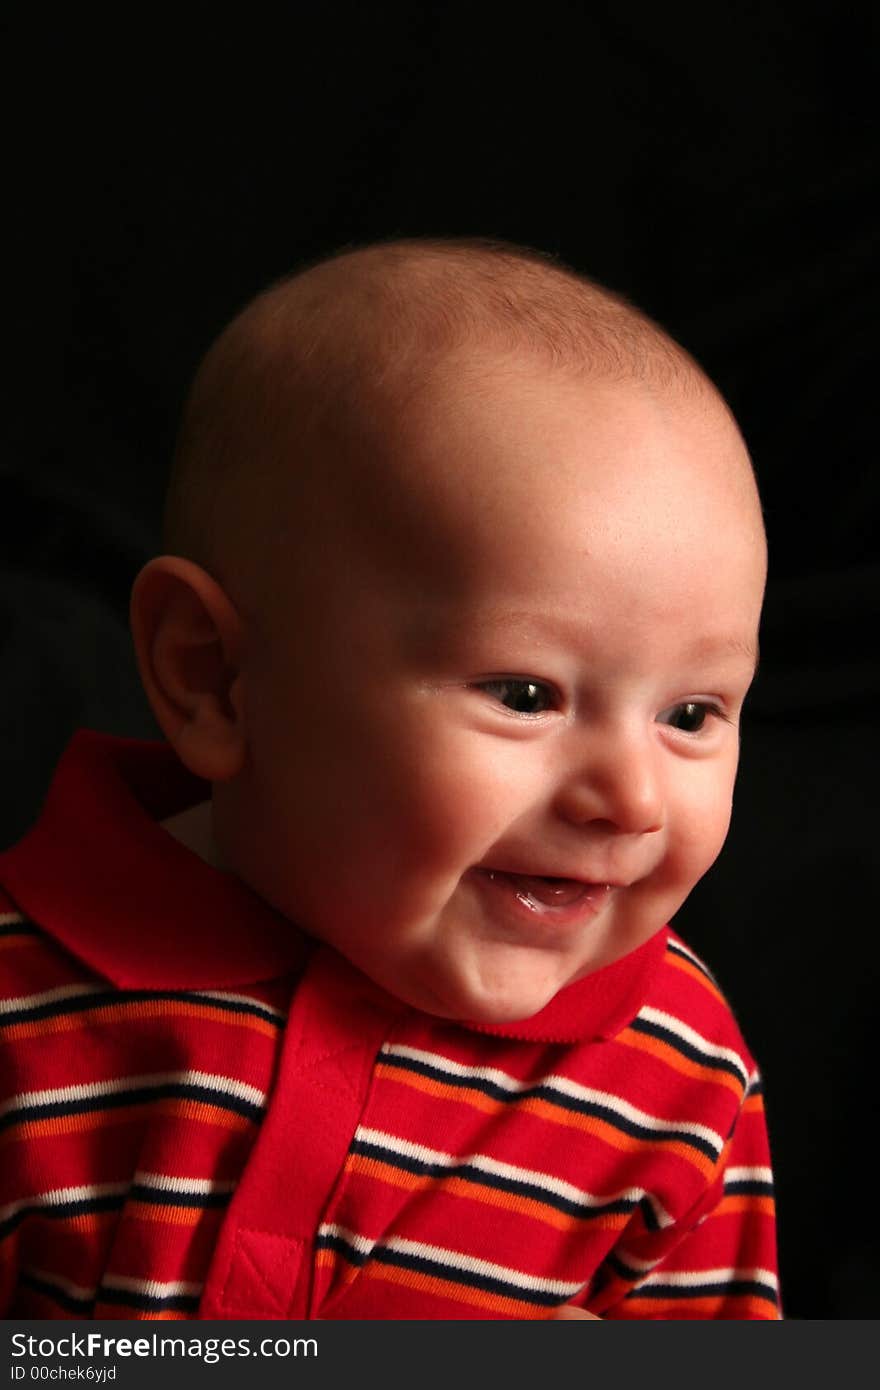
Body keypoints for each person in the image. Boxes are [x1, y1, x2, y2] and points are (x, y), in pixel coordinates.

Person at [0, 239, 779, 1320]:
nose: (632, 800)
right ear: (215, 679)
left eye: (690, 715)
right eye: (525, 693)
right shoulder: (28, 1005)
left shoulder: (682, 1075)